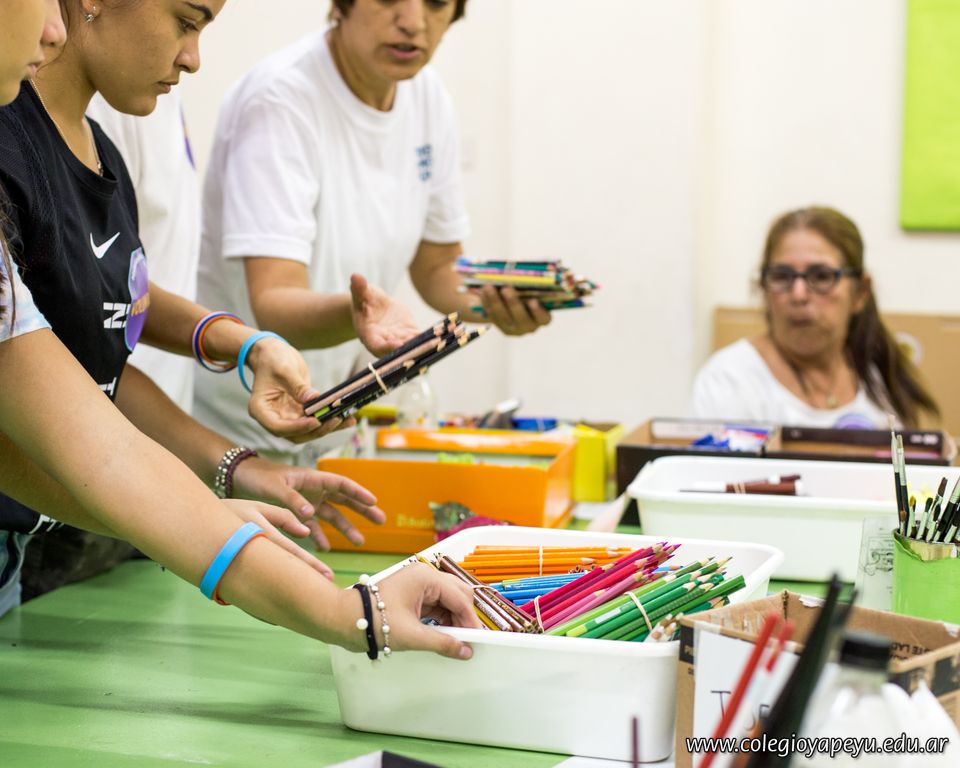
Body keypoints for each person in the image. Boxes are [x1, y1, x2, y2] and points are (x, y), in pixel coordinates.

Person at [0, 0, 481, 659]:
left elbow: (97, 360)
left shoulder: (101, 149)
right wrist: (348, 613)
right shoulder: (20, 146)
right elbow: (82, 443)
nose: (51, 31)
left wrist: (240, 366)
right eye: (185, 21)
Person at [195, 0, 552, 464]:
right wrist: (357, 315)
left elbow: (438, 268)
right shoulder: (280, 100)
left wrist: (503, 298)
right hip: (233, 431)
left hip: (330, 423)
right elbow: (274, 302)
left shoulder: (427, 97)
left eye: (437, 2)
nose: (413, 21)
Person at [691, 206, 939, 429]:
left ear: (860, 292)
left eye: (821, 276)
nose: (798, 295)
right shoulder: (729, 381)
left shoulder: (878, 378)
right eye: (782, 276)